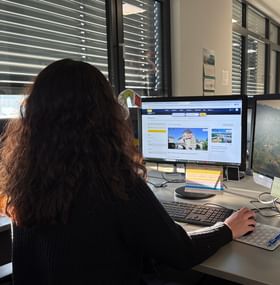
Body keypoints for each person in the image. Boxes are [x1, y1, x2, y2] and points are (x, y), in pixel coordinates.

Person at [0, 59, 255, 285]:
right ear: (102, 115)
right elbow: (180, 252)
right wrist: (227, 228)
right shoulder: (113, 182)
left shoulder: (24, 180)